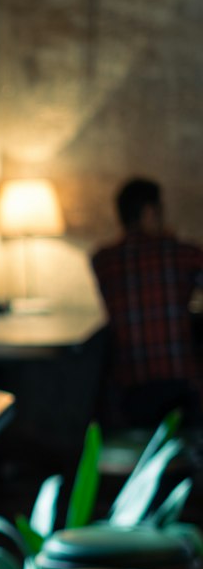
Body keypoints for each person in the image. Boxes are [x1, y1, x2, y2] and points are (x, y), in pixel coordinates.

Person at [91, 177, 203, 429]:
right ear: (149, 212)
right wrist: (170, 241)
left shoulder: (103, 260)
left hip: (128, 389)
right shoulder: (182, 253)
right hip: (181, 383)